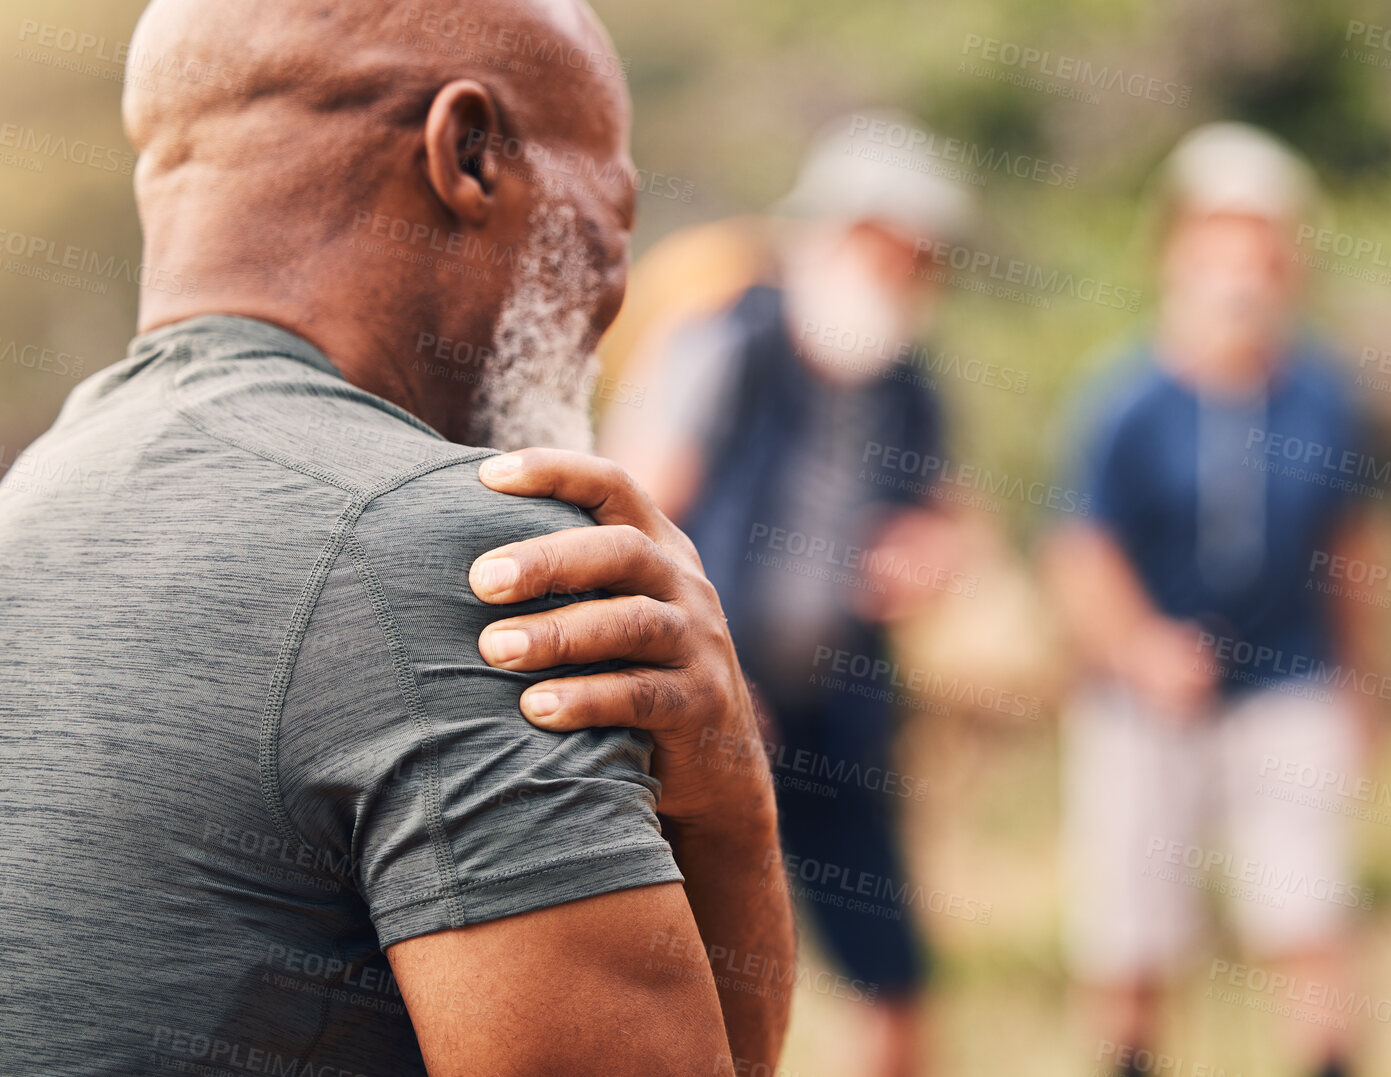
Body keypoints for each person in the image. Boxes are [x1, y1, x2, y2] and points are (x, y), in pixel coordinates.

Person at [0, 1, 795, 1074]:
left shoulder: (28, 506)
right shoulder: (466, 555)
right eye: (610, 217)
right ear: (468, 156)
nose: (612, 292)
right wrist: (732, 802)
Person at [617, 112, 974, 1077]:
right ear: (842, 233)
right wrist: (711, 680)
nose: (908, 276)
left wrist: (930, 556)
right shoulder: (733, 338)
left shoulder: (909, 382)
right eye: (895, 251)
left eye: (921, 261)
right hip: (710, 710)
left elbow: (947, 522)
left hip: (839, 715)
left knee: (894, 976)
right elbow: (642, 504)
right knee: (686, 979)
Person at [1045, 124, 1387, 1077]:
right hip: (1145, 701)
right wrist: (1141, 646)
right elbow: (1080, 550)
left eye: (1261, 243)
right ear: (1177, 251)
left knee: (1307, 911)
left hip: (1288, 684)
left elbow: (1355, 547)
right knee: (1134, 936)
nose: (1239, 269)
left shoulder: (1324, 395)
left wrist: (1367, 687)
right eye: (1218, 240)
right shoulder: (1124, 400)